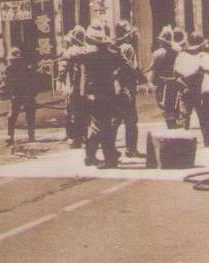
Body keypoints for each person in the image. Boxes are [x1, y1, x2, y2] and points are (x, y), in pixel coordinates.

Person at [76, 21, 131, 169]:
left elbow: (71, 55)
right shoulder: (112, 54)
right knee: (105, 127)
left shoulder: (87, 54)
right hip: (106, 94)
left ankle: (92, 155)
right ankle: (107, 157)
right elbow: (127, 67)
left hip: (92, 95)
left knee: (99, 127)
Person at [114, 20, 146, 158]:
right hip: (127, 87)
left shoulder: (112, 47)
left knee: (115, 120)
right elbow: (132, 68)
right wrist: (142, 78)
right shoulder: (128, 47)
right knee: (131, 121)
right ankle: (131, 149)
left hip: (114, 88)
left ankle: (111, 149)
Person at [58, 26, 88, 149]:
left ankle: (76, 139)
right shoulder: (88, 50)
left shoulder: (69, 52)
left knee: (74, 112)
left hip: (74, 86)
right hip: (87, 87)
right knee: (85, 112)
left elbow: (63, 70)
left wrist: (60, 81)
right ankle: (85, 137)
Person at [1, 48, 38, 146]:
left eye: (16, 60)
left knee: (30, 115)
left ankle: (31, 135)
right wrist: (4, 89)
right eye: (13, 60)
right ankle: (10, 136)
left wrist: (33, 93)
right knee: (12, 116)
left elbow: (34, 83)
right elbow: (7, 84)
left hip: (27, 95)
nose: (14, 62)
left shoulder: (27, 69)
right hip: (17, 95)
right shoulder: (8, 70)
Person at [151, 26, 184, 129]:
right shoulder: (178, 52)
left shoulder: (157, 54)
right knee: (175, 109)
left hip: (162, 85)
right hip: (175, 84)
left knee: (166, 110)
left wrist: (150, 84)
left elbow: (152, 72)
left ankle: (171, 127)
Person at [173, 32, 206, 134]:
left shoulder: (181, 55)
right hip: (199, 90)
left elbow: (176, 74)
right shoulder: (203, 56)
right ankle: (207, 141)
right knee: (203, 116)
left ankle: (184, 140)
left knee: (185, 116)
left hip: (185, 89)